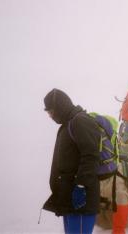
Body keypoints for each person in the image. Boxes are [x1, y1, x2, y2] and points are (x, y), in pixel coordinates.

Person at [42, 88, 101, 234]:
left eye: (51, 111)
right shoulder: (67, 124)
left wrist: (81, 187)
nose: (50, 116)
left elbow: (91, 156)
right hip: (69, 198)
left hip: (81, 199)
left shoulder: (80, 121)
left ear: (60, 106)